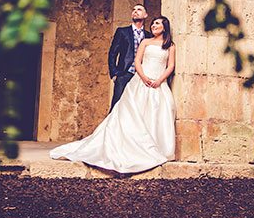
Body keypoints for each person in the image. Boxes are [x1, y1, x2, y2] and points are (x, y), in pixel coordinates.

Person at [49, 16, 177, 174]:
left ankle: (155, 148)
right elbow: (137, 61)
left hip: (159, 83)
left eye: (157, 23)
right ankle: (130, 146)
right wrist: (144, 78)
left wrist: (159, 80)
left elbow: (170, 66)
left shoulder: (170, 46)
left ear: (165, 27)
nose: (153, 26)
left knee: (159, 113)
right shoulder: (145, 42)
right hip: (141, 82)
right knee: (133, 113)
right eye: (153, 23)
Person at [107, 4, 152, 110]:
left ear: (145, 15)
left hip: (142, 76)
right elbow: (112, 53)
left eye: (139, 9)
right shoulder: (122, 32)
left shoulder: (149, 35)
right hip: (124, 73)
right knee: (117, 105)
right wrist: (114, 73)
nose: (135, 11)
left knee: (138, 107)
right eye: (134, 10)